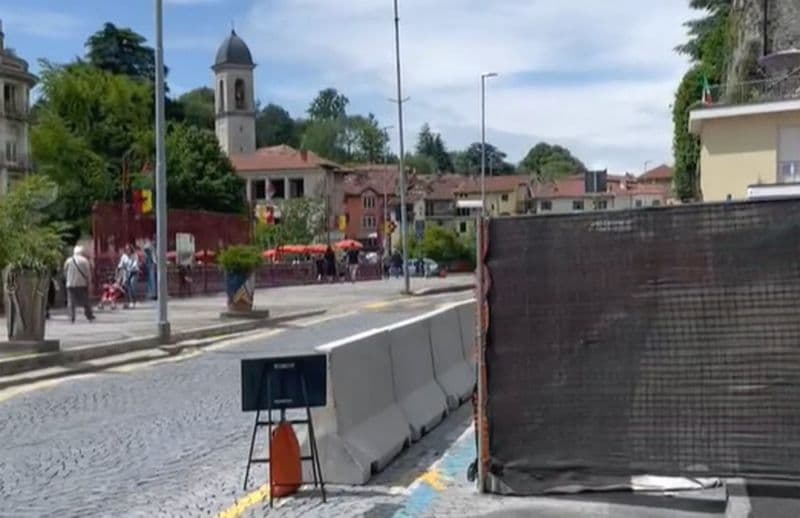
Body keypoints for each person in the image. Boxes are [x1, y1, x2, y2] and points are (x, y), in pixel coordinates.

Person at [63, 246, 95, 323]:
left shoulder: (68, 261)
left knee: (71, 301)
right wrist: (89, 283)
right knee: (85, 301)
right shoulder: (84, 261)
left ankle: (72, 317)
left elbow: (65, 271)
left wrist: (67, 279)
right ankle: (89, 315)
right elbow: (88, 273)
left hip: (70, 284)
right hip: (82, 283)